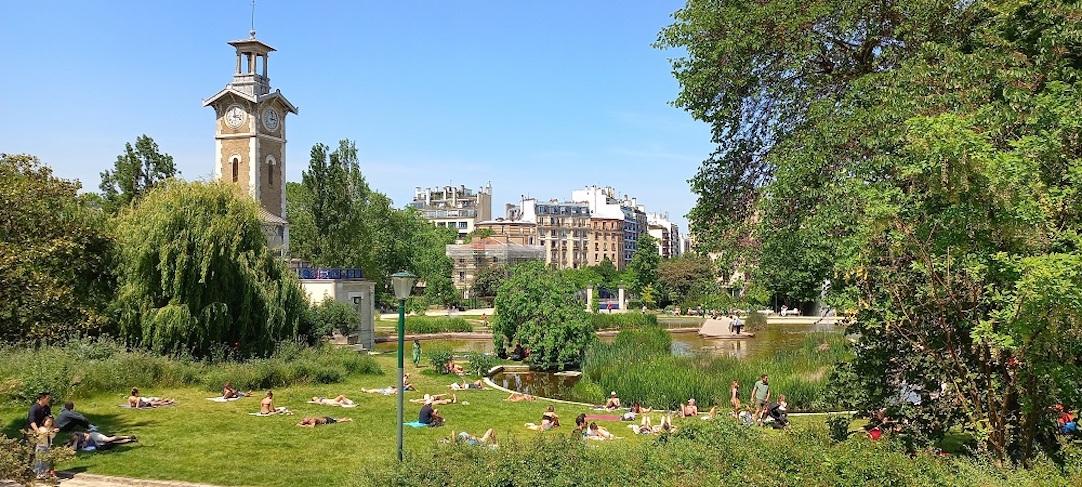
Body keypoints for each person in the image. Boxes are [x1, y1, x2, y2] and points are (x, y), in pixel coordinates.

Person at [66, 430, 137, 451]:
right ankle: (129, 440)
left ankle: (127, 436)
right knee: (112, 442)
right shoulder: (75, 443)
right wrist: (75, 442)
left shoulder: (77, 434)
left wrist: (85, 441)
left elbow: (88, 435)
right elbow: (73, 449)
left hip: (93, 436)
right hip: (95, 443)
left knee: (108, 439)